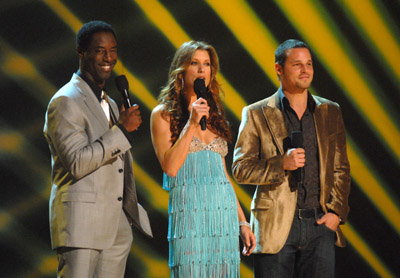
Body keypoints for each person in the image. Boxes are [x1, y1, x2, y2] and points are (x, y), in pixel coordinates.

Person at [232, 39, 351, 278]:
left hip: (319, 225)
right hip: (274, 226)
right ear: (279, 69)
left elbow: (340, 168)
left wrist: (336, 214)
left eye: (309, 64)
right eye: (297, 64)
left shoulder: (330, 110)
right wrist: (280, 164)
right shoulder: (256, 113)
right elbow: (240, 169)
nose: (305, 70)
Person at [43, 20, 152, 278]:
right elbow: (78, 162)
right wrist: (122, 131)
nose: (108, 57)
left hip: (115, 229)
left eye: (113, 50)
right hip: (81, 226)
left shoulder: (112, 103)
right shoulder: (65, 101)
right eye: (100, 50)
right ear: (81, 52)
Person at [150, 40, 256, 277]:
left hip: (222, 218)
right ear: (181, 70)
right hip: (190, 219)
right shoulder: (162, 115)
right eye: (194, 63)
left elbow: (223, 176)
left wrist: (242, 223)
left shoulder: (214, 113)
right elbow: (171, 167)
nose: (201, 70)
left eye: (206, 64)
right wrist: (191, 123)